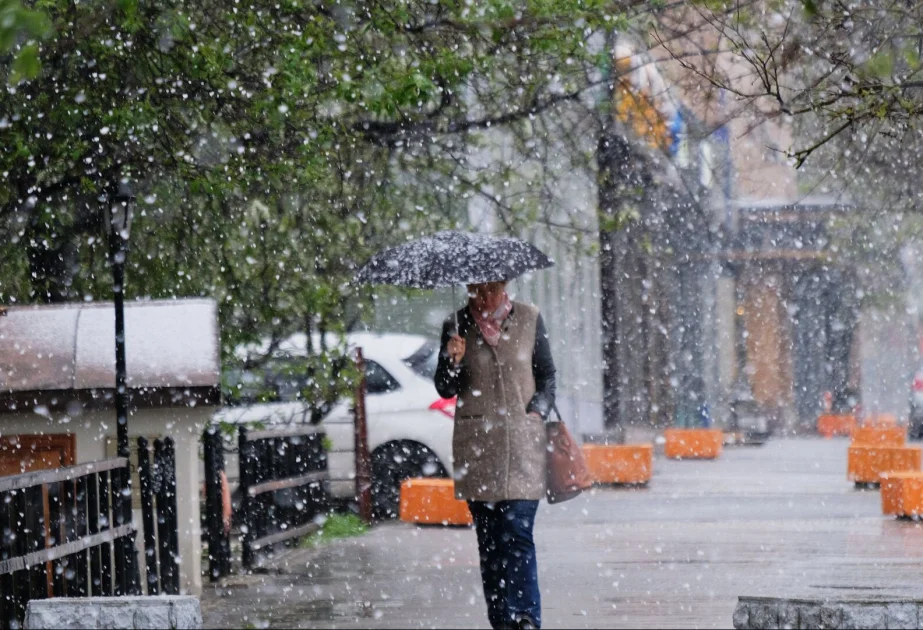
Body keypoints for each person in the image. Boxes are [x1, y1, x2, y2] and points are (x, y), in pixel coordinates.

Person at [434, 280, 556, 630]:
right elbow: (444, 387)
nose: (485, 296)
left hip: (522, 446)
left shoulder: (530, 318)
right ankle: (502, 620)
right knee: (490, 545)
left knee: (518, 534)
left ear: (505, 285)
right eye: (478, 289)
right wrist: (451, 361)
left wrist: (537, 411)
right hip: (478, 449)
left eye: (493, 288)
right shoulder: (455, 325)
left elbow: (547, 377)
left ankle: (526, 618)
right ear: (470, 288)